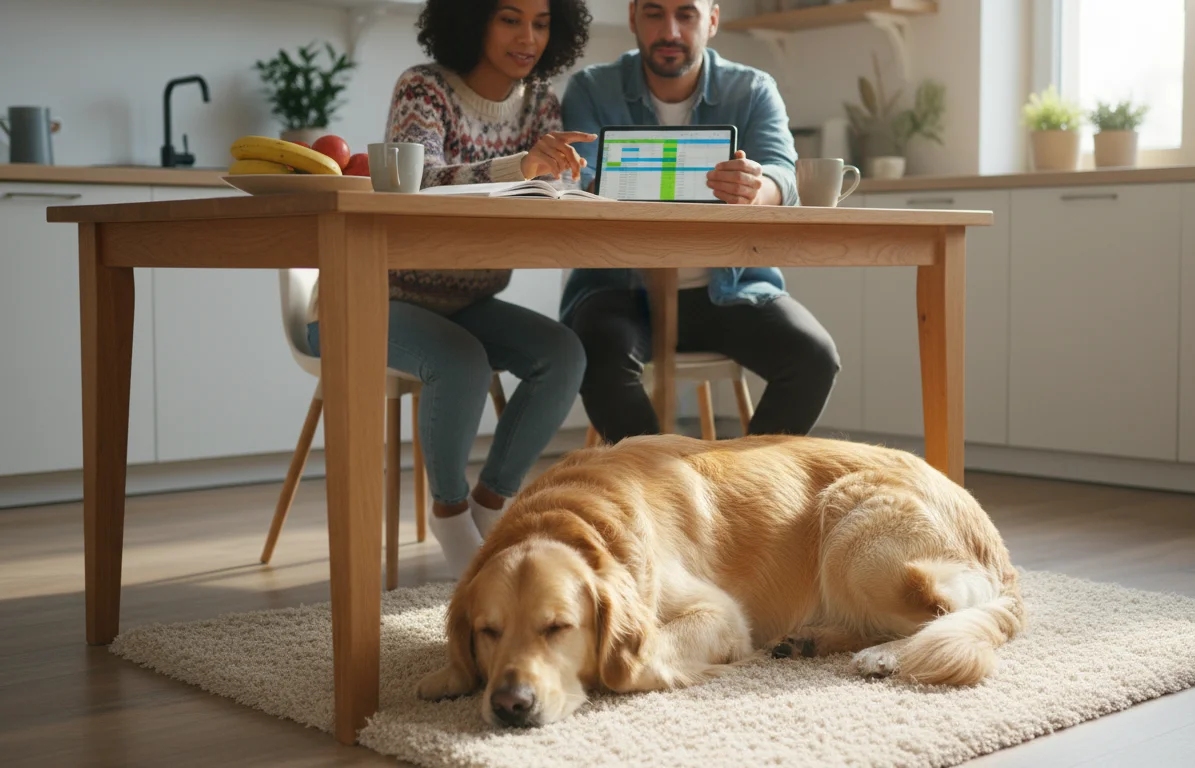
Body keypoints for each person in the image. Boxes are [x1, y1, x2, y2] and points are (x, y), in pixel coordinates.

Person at [306, 0, 594, 578]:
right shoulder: (424, 88)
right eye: (510, 19)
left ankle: (492, 505)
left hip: (467, 302)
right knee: (463, 362)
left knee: (563, 353)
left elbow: (538, 191)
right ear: (474, 19)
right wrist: (521, 167)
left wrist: (563, 185)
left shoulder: (540, 103)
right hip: (368, 296)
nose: (528, 38)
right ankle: (449, 510)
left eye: (541, 23)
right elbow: (420, 178)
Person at [559, 0, 840, 444]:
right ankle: (667, 492)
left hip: (729, 288)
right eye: (654, 13)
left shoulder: (751, 89)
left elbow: (784, 174)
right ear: (632, 17)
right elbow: (580, 183)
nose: (670, 30)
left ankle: (730, 491)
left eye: (686, 14)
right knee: (595, 354)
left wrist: (756, 188)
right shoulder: (592, 89)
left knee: (814, 357)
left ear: (712, 19)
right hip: (621, 288)